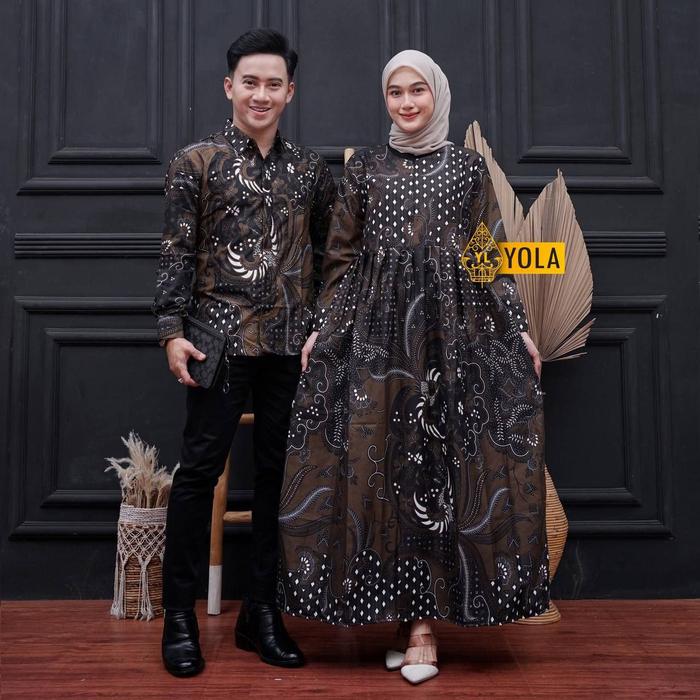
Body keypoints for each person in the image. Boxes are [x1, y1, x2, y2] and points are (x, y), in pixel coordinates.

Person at [277, 50, 549, 685]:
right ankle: (403, 618)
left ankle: (424, 626)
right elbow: (341, 257)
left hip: (453, 334)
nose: (406, 102)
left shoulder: (468, 168)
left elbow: (488, 252)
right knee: (387, 468)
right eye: (395, 92)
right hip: (379, 339)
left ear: (438, 95)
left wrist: (516, 325)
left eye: (417, 90)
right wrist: (323, 328)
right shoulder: (364, 168)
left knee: (438, 468)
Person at [153, 29, 336, 676]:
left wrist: (320, 327)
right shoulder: (195, 162)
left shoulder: (311, 171)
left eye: (273, 84)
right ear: (230, 86)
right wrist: (171, 331)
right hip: (218, 343)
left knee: (278, 482)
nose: (261, 94)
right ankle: (179, 617)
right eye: (250, 82)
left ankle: (261, 613)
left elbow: (328, 257)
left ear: (291, 92)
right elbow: (176, 251)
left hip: (290, 346)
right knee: (197, 476)